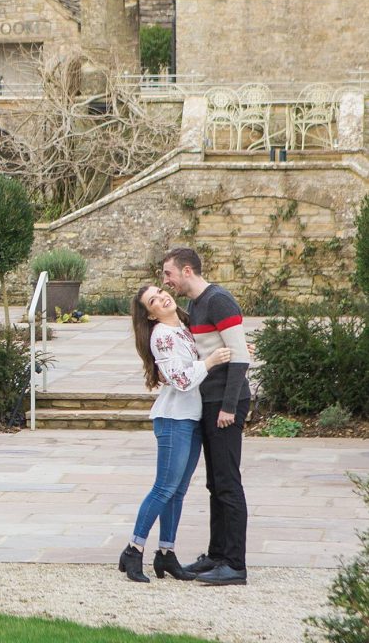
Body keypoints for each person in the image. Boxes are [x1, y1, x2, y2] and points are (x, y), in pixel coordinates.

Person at [118, 284, 231, 584]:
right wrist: (210, 362)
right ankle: (133, 549)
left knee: (177, 492)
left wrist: (234, 350)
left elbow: (206, 348)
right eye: (153, 300)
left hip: (191, 418)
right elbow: (181, 379)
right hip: (173, 420)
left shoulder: (183, 327)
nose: (162, 297)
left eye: (160, 291)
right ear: (150, 314)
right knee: (164, 488)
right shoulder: (163, 336)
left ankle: (166, 553)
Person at [162, 246, 251, 586]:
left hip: (226, 404)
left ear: (187, 271)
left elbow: (240, 357)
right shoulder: (197, 305)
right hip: (209, 402)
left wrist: (229, 406)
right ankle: (216, 554)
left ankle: (235, 564)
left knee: (228, 483)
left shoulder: (219, 300)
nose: (166, 281)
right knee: (215, 483)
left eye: (169, 274)